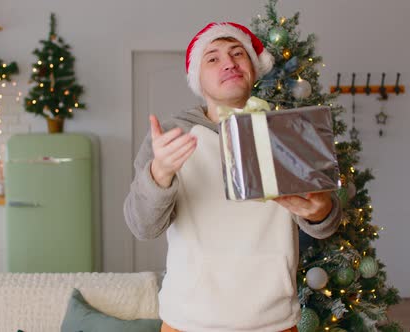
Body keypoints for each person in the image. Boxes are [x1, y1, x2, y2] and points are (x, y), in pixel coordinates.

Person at [124, 22, 341, 332]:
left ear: (253, 68)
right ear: (196, 78)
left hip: (274, 321)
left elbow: (327, 223)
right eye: (212, 58)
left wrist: (320, 211)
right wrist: (159, 174)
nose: (229, 63)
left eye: (238, 54)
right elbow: (142, 226)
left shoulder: (289, 131)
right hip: (188, 321)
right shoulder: (171, 136)